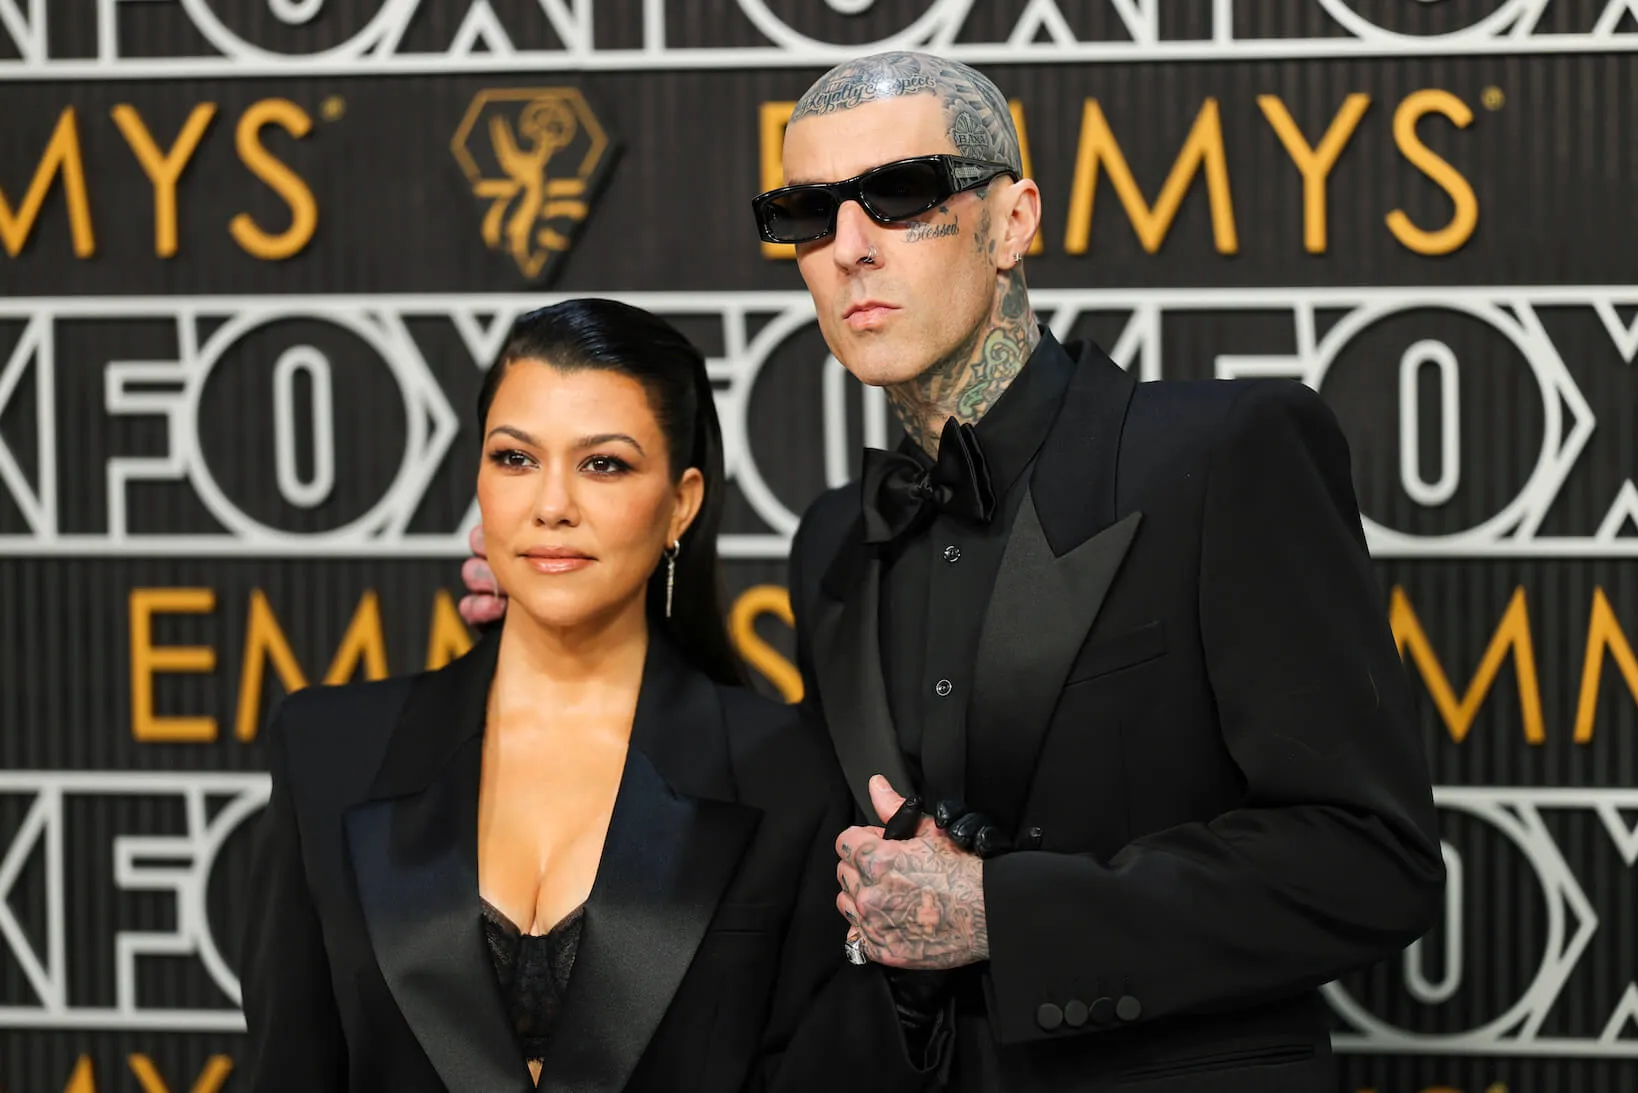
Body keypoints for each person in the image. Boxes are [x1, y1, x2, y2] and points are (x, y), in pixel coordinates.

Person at [459, 54, 1446, 1091]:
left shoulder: (1219, 454)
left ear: (1013, 221)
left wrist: (1002, 915)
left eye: (900, 196)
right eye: (810, 212)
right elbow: (770, 835)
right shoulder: (834, 542)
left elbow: (1370, 861)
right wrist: (558, 612)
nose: (848, 248)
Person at [239, 299, 919, 1093]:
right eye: (515, 458)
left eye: (604, 464)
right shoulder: (329, 752)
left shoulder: (788, 775)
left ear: (682, 503)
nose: (551, 504)